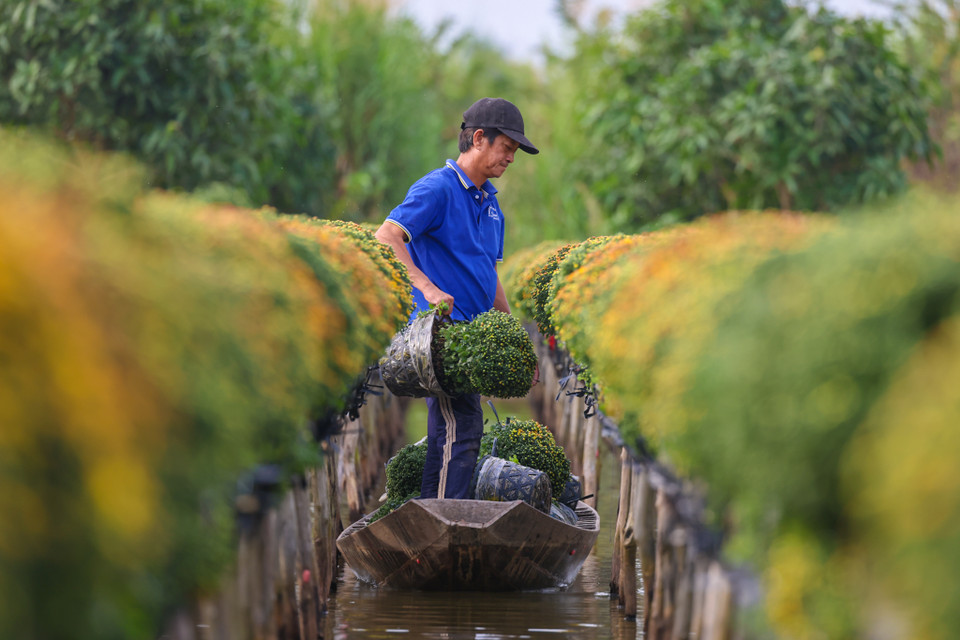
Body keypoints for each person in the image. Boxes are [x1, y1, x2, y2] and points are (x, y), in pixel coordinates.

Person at [375, 97, 539, 500]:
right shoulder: (438, 188)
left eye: (515, 152)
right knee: (460, 429)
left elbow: (489, 272)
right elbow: (386, 236)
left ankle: (437, 514)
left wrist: (515, 339)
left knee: (457, 430)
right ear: (479, 138)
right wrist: (426, 287)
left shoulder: (491, 203)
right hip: (444, 340)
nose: (511, 158)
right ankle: (448, 519)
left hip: (473, 340)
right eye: (507, 148)